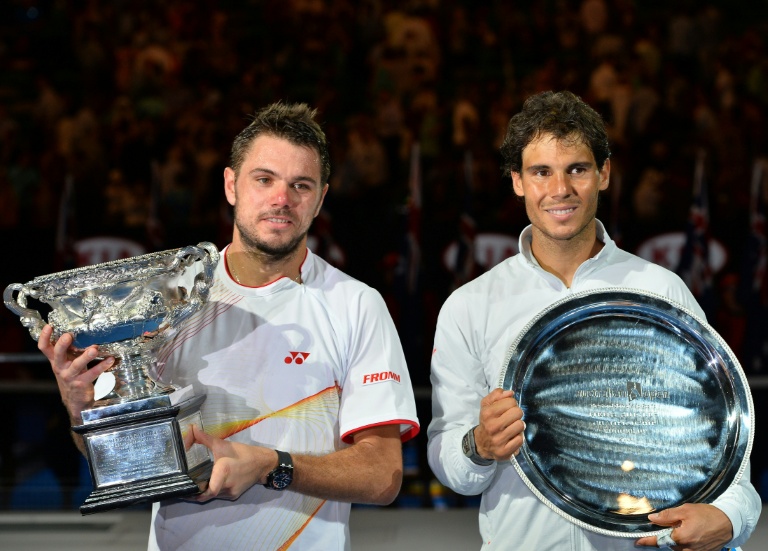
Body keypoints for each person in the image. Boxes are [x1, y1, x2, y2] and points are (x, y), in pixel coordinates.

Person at [39, 102, 420, 550]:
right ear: (231, 185)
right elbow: (114, 461)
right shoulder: (164, 303)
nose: (282, 199)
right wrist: (81, 408)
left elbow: (383, 476)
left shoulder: (356, 305)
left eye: (301, 185)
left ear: (320, 199)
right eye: (265, 180)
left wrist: (269, 465)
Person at [426, 90, 761, 551]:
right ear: (517, 181)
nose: (560, 189)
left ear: (604, 173)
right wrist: (479, 445)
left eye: (577, 169)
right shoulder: (470, 305)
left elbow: (725, 454)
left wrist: (729, 517)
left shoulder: (661, 292)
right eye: (541, 172)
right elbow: (450, 464)